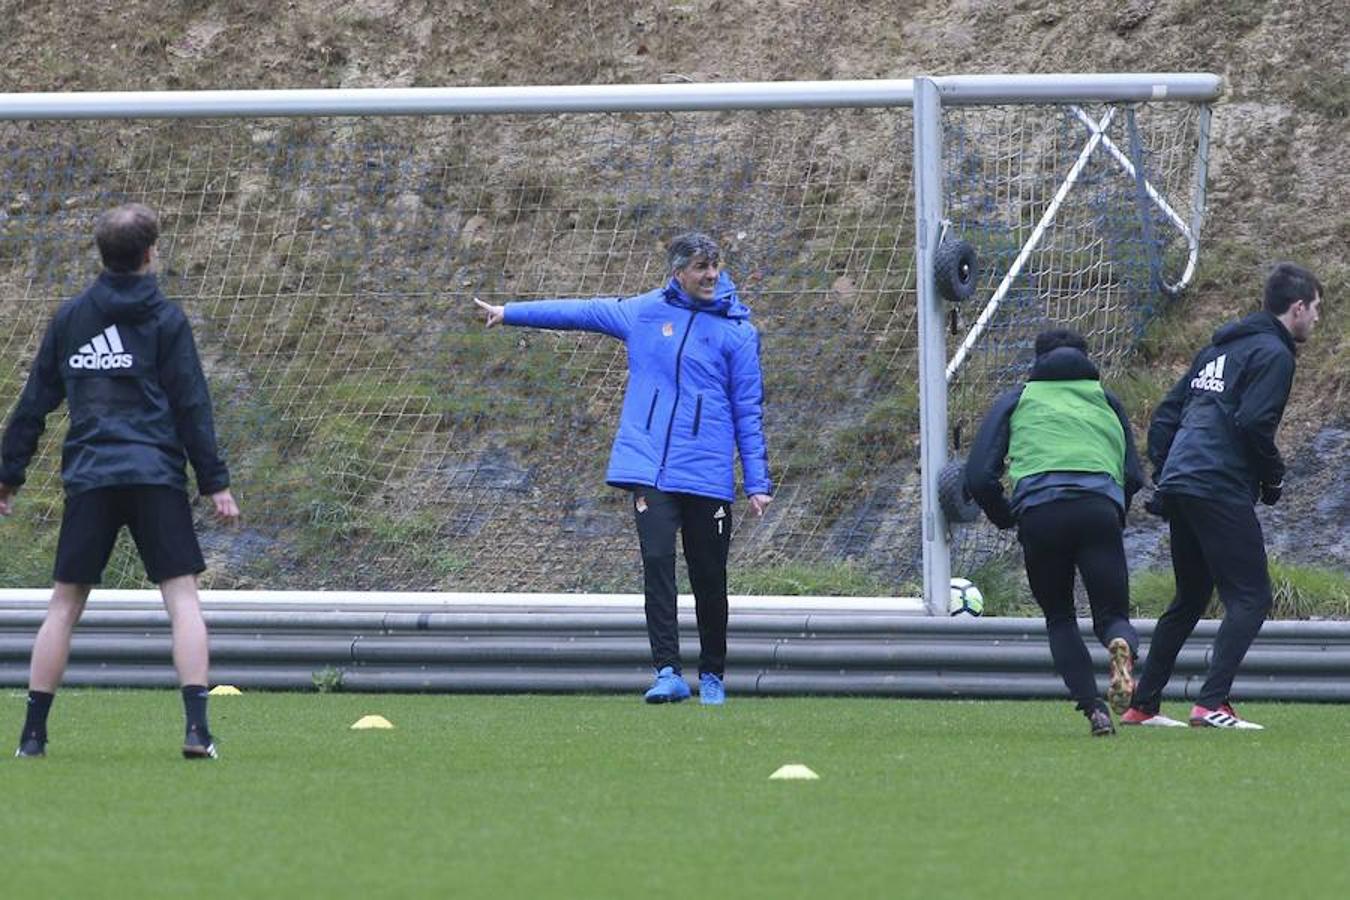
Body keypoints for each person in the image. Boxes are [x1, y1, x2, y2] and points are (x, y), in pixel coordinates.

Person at [475, 231, 772, 705]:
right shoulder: (644, 312)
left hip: (707, 473)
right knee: (657, 564)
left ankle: (712, 675)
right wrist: (510, 313)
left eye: (715, 266)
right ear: (679, 272)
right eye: (701, 267)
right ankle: (668, 672)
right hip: (649, 469)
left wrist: (756, 481)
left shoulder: (737, 332)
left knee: (709, 578)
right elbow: (583, 312)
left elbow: (747, 409)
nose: (711, 275)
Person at [0, 203, 240, 759]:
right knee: (182, 600)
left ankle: (32, 738)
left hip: (91, 476)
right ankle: (197, 732)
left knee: (64, 604)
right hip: (154, 474)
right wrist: (215, 484)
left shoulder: (71, 319)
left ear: (103, 255)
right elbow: (191, 406)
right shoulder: (168, 320)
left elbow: (33, 403)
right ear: (151, 254)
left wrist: (8, 476)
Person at [1125, 262, 1322, 730]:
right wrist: (1274, 477)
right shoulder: (1275, 355)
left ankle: (1143, 704)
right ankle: (1211, 703)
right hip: (1217, 484)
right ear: (1297, 308)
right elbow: (1254, 422)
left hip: (1183, 483)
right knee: (1251, 597)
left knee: (1191, 597)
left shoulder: (1216, 349)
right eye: (1316, 310)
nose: (1317, 319)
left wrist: (1166, 469)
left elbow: (1167, 415)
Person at [965, 328, 1143, 736]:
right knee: (1112, 616)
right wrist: (1116, 510)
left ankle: (1094, 709)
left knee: (1060, 618)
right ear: (1086, 358)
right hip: (1098, 509)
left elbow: (978, 476)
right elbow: (1132, 474)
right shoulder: (1106, 401)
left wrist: (1006, 516)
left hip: (1040, 514)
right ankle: (1122, 648)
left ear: (1037, 361)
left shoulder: (1018, 400)